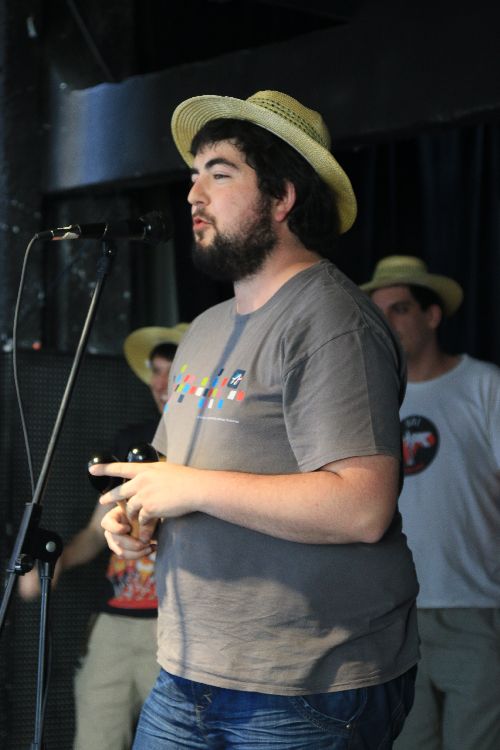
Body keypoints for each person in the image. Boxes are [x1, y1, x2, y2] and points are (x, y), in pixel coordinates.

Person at [92, 90, 420, 749]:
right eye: (193, 176)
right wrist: (136, 517)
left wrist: (189, 487)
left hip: (305, 683)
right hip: (188, 670)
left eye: (219, 174)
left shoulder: (331, 319)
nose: (193, 195)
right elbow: (175, 475)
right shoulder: (205, 329)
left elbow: (362, 507)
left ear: (282, 197)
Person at [19, 324, 187, 750]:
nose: (161, 383)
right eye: (155, 371)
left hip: (178, 625)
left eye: (172, 371)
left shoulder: (212, 444)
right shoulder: (132, 439)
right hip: (114, 621)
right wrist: (55, 560)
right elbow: (98, 531)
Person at [361, 255, 500, 750]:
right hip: (395, 613)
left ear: (432, 315)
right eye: (379, 314)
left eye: (399, 309)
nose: (388, 323)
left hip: (474, 604)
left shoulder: (483, 384)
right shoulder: (369, 397)